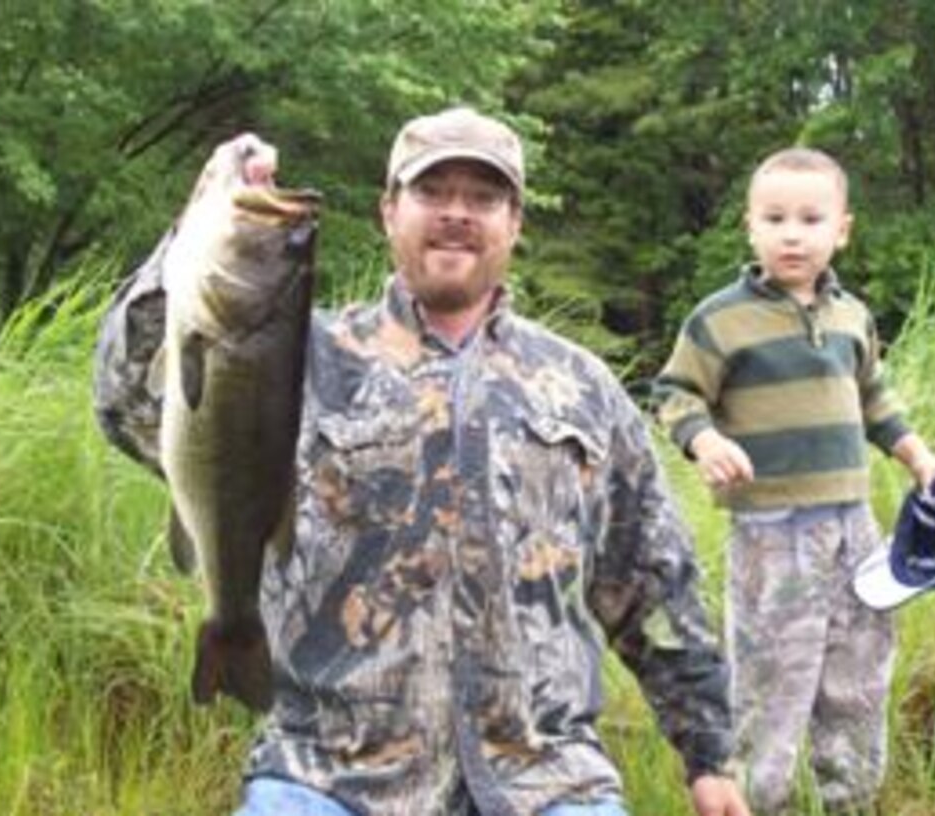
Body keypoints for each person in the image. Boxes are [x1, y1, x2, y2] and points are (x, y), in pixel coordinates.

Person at [94, 106, 751, 816]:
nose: (457, 214)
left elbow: (654, 579)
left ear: (515, 223)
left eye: (483, 198)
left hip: (544, 777)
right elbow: (124, 398)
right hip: (328, 773)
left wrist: (708, 755)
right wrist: (206, 218)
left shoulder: (584, 387)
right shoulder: (292, 356)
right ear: (388, 212)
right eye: (433, 193)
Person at [652, 147, 935, 814]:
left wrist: (918, 458)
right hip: (771, 534)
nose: (792, 233)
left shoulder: (852, 317)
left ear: (841, 228)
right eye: (775, 217)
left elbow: (875, 400)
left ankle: (851, 798)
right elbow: (673, 393)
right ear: (750, 228)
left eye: (811, 218)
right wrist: (705, 439)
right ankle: (761, 802)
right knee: (769, 683)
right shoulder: (721, 318)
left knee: (858, 674)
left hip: (853, 527)